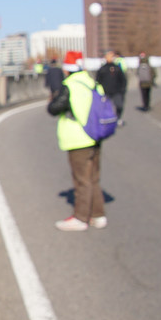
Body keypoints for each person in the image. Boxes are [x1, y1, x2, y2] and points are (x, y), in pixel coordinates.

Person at [47, 51, 107, 231]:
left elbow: (54, 108)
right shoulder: (93, 83)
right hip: (96, 136)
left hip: (78, 138)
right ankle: (98, 215)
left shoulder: (70, 85)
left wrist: (53, 98)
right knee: (93, 178)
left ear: (67, 69)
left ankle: (80, 218)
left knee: (81, 180)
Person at [96, 50, 127, 126]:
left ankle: (118, 118)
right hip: (105, 92)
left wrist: (122, 90)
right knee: (105, 107)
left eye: (112, 56)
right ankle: (107, 120)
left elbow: (123, 80)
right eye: (109, 56)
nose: (111, 58)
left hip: (117, 91)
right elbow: (98, 81)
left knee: (119, 105)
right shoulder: (102, 69)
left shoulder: (117, 68)